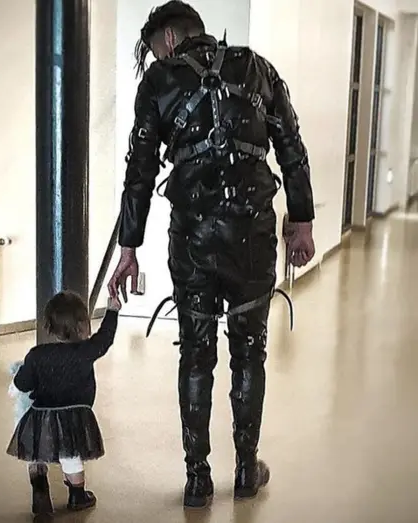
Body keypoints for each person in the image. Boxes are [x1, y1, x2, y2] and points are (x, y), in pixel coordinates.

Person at [108, 0, 315, 509]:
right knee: (251, 350)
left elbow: (139, 172)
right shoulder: (258, 69)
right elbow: (292, 147)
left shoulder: (160, 83)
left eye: (156, 49)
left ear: (172, 40)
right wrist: (303, 222)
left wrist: (128, 248)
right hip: (253, 238)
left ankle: (197, 478)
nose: (155, 59)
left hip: (194, 241)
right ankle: (246, 469)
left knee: (197, 352)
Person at [6, 291, 120, 516]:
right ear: (82, 324)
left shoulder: (37, 355)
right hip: (75, 416)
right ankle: (78, 496)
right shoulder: (86, 351)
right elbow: (105, 338)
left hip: (42, 415)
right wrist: (112, 311)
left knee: (36, 453)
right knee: (71, 455)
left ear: (49, 326)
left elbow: (23, 382)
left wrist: (14, 388)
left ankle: (40, 490)